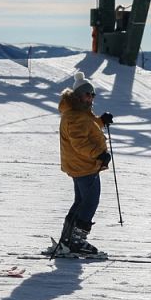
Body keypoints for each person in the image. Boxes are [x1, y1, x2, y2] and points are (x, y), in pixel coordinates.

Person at [50, 70, 113, 258]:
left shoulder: (79, 112)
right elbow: (80, 143)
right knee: (90, 202)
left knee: (80, 201)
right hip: (84, 166)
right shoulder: (75, 116)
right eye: (87, 94)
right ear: (78, 96)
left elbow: (89, 126)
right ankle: (76, 242)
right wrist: (100, 154)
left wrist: (101, 121)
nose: (91, 98)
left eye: (93, 94)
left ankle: (67, 241)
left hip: (80, 166)